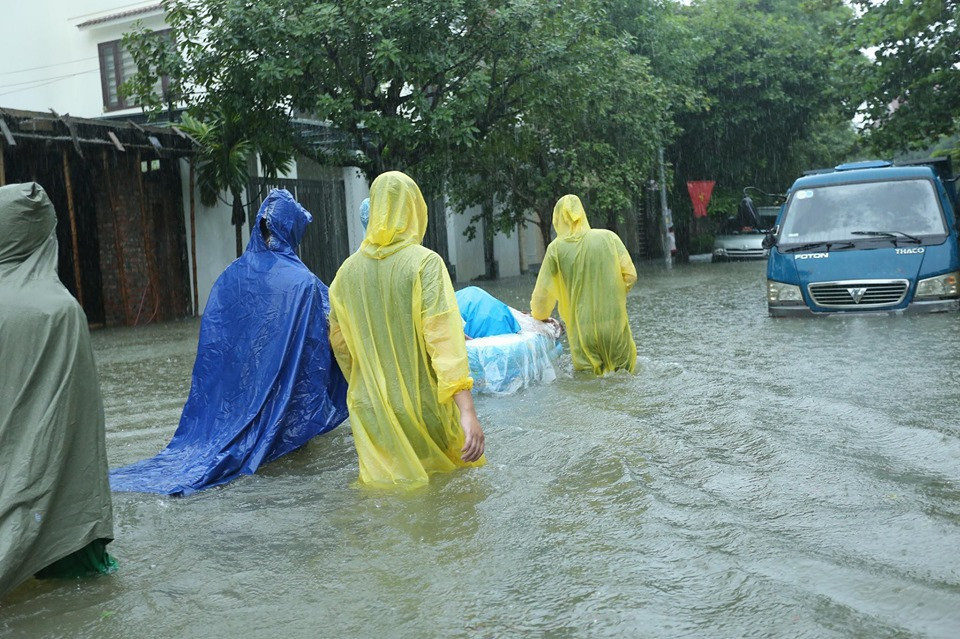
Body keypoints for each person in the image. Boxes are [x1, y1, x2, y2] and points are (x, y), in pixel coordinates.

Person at [109, 189, 349, 496]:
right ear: (290, 228)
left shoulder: (229, 276)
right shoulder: (303, 283)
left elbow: (215, 352)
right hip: (281, 402)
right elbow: (326, 346)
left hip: (232, 402)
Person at [328, 171, 485, 486]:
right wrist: (467, 411)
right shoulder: (424, 264)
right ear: (415, 209)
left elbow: (341, 346)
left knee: (388, 502)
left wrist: (371, 384)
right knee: (452, 497)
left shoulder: (345, 274)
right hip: (426, 409)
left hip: (372, 413)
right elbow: (445, 342)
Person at [1, 182, 116, 598]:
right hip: (59, 519)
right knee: (82, 597)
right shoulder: (60, 310)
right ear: (45, 234)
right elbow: (80, 424)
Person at [530, 194, 637, 375]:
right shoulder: (609, 238)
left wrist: (539, 315)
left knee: (589, 386)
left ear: (558, 219)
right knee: (624, 377)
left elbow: (542, 296)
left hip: (582, 331)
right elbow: (630, 276)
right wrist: (611, 294)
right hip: (614, 327)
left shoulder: (555, 249)